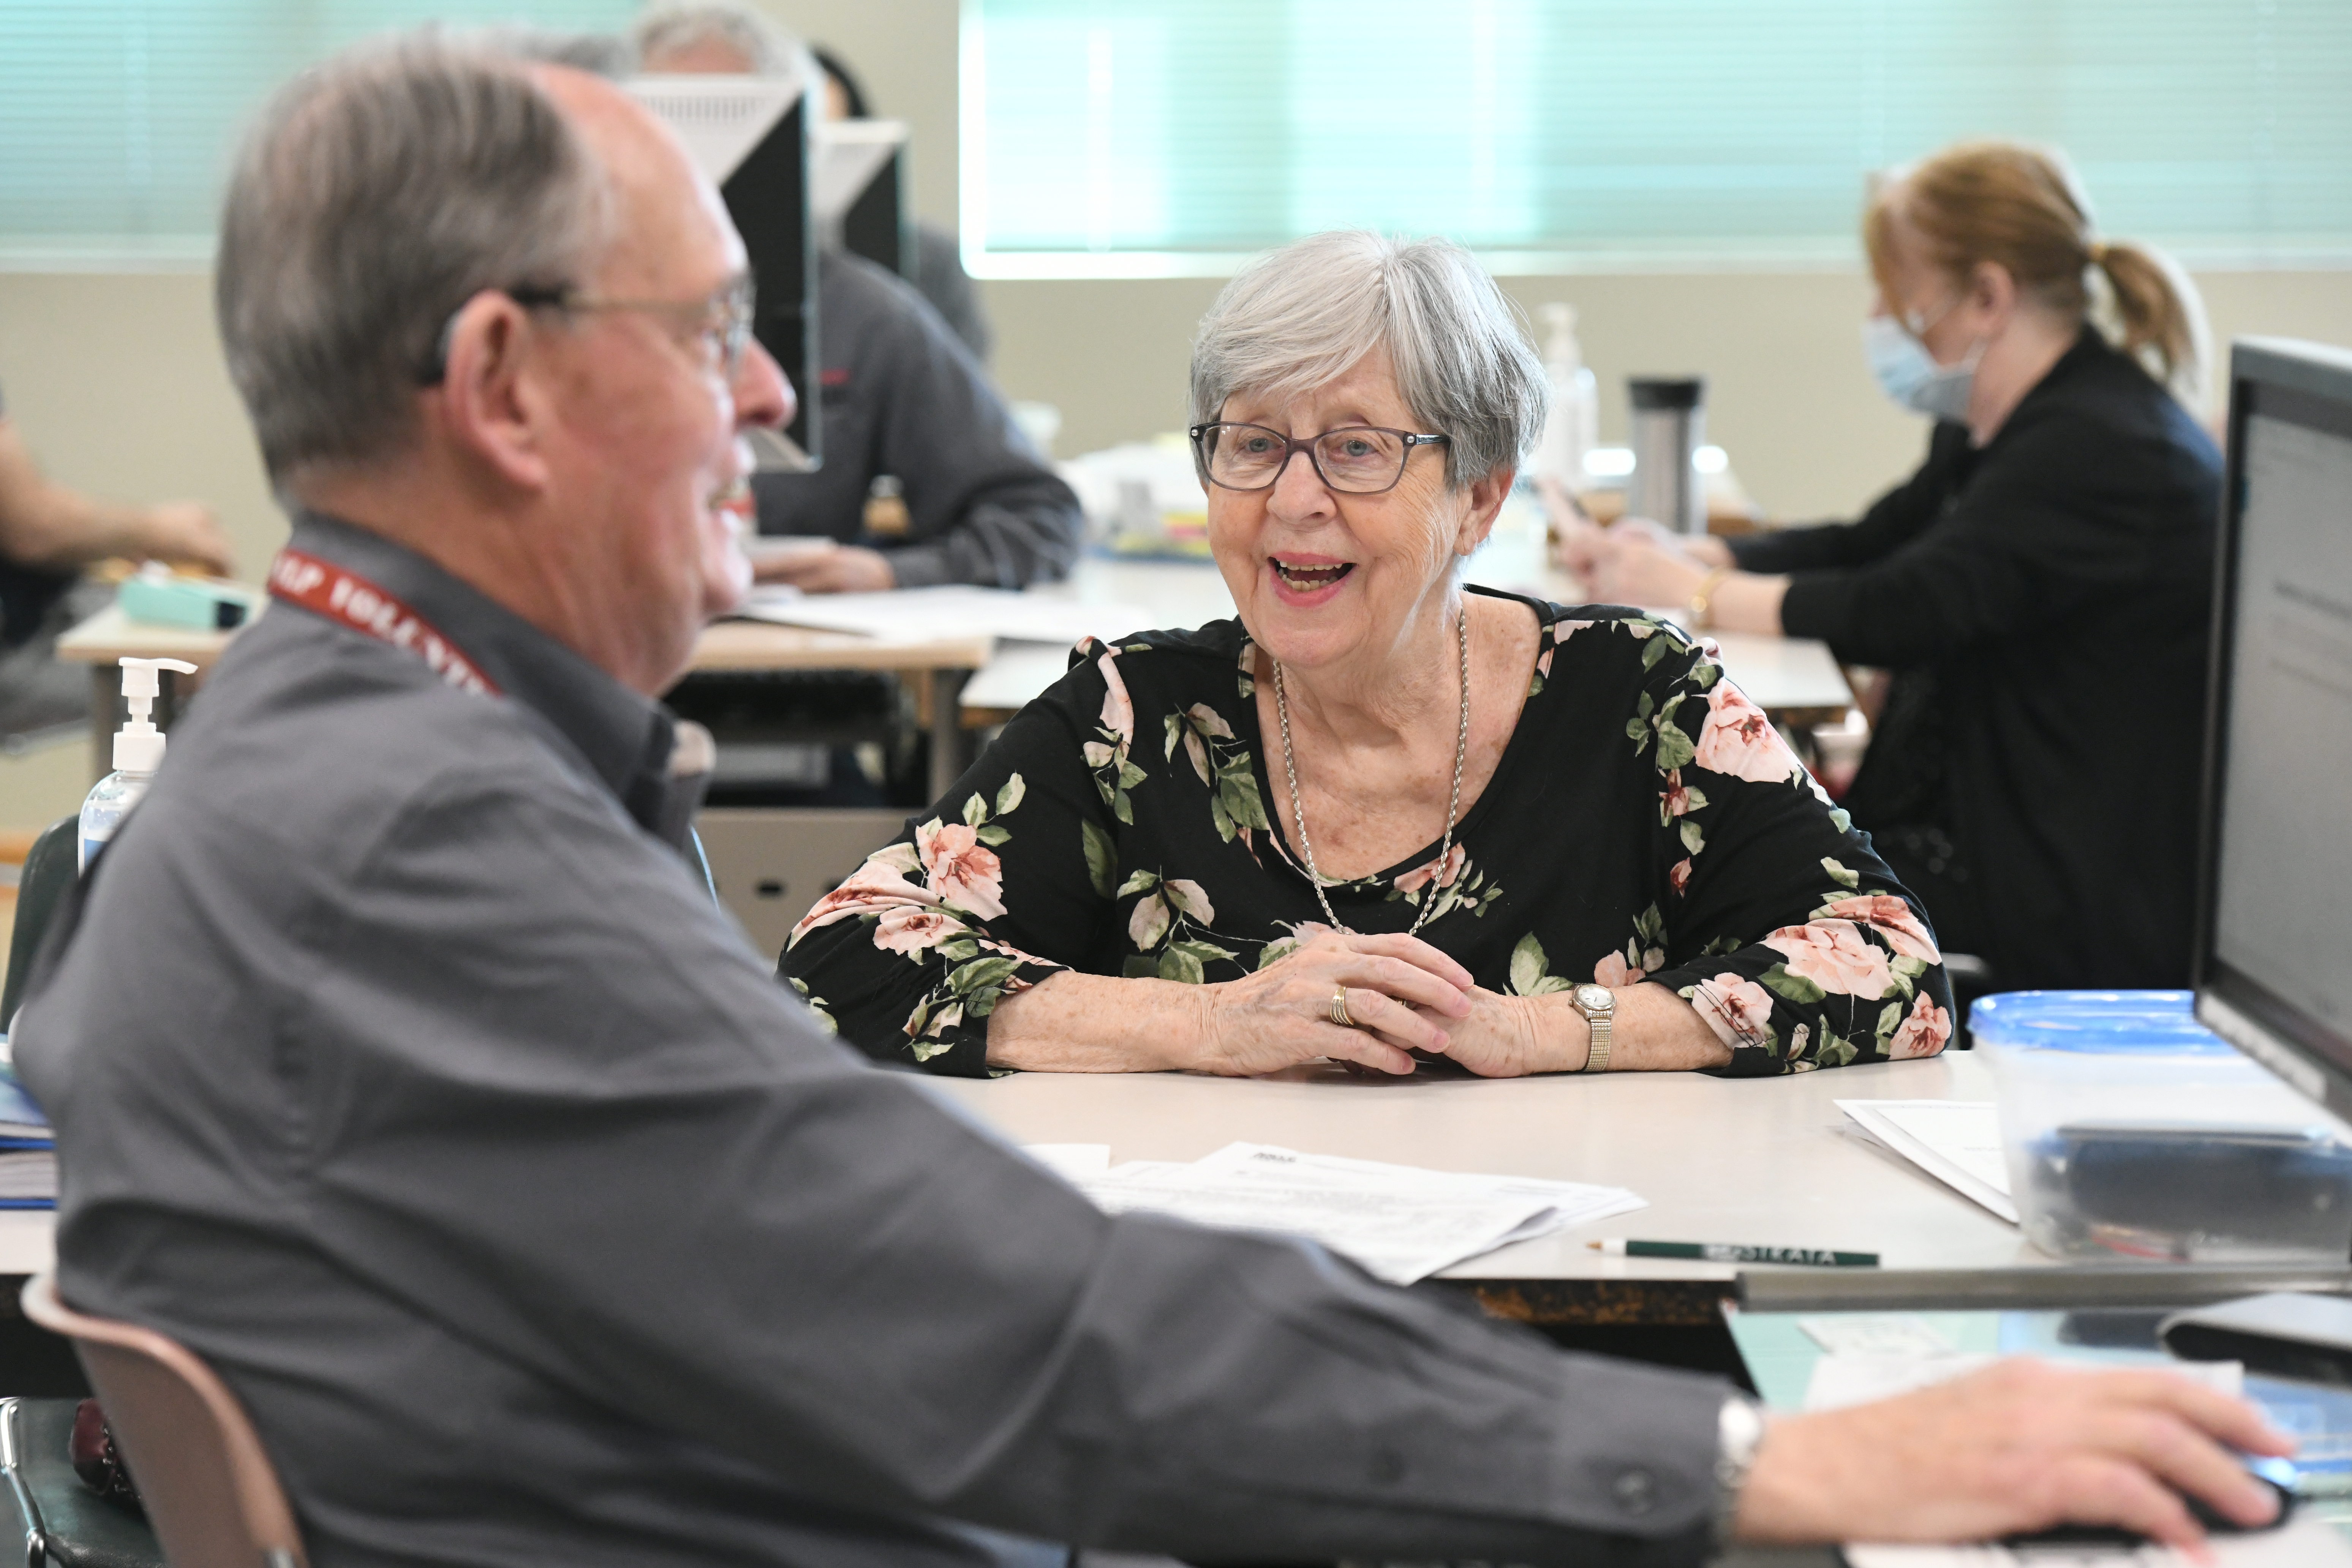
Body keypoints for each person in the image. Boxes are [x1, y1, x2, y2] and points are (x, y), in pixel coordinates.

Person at [10, 40, 2296, 1566]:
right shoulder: (420, 834)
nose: (780, 391)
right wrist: (1745, 1462)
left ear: (1474, 488)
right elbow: (996, 1318)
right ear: (503, 384)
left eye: (1360, 450)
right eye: (710, 328)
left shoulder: (339, 762)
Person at [782, 231, 1957, 1082]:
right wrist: (1209, 1025)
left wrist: (1543, 1030)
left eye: (1355, 449)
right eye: (1252, 444)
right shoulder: (1133, 718)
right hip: (1218, 1307)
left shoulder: (1636, 698)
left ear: (1481, 495)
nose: (1293, 501)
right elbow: (839, 961)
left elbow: (1891, 966)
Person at [1568, 142, 2219, 993]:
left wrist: (1695, 594)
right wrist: (1702, 553)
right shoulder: (2003, 423)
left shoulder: (2101, 448)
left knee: (1686, 888)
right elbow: (1871, 540)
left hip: (2052, 889)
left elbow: (1903, 603)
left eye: (1897, 294)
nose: (1882, 315)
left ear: (1987, 295)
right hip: (1987, 824)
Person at [632, 2, 1078, 596]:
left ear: (803, 151)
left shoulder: (864, 316)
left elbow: (1038, 514)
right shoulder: (555, 307)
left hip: (788, 666)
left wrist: (889, 572)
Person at [0, 391, 231, 735]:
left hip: (49, 605)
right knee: (227, 666)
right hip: (21, 642)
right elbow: (35, 528)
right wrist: (164, 532)